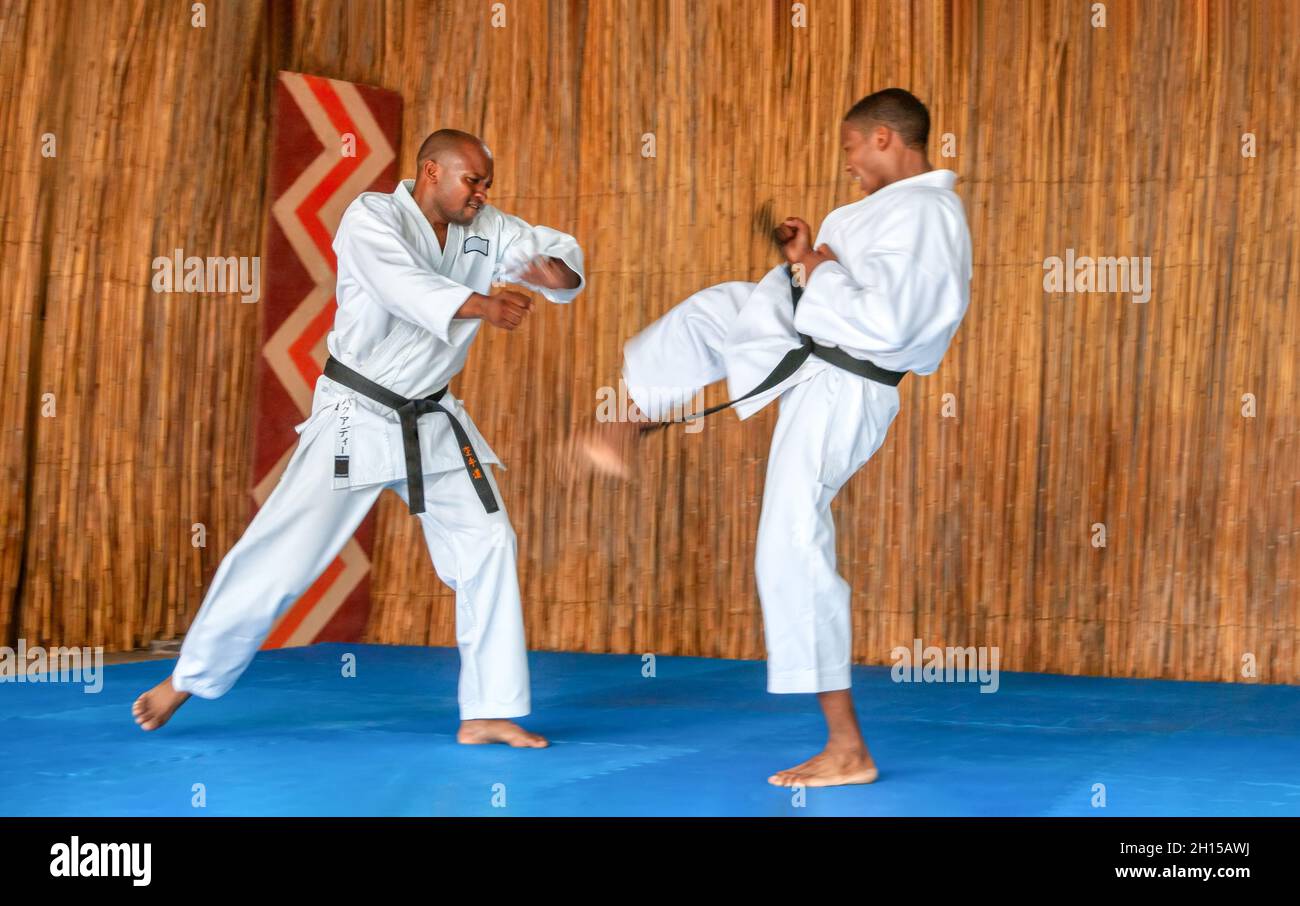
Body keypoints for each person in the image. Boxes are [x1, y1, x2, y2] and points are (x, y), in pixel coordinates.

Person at [134, 129, 584, 748]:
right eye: (471, 181)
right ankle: (188, 678)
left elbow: (555, 260)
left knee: (488, 540)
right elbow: (401, 286)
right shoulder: (372, 217)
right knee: (284, 553)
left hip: (433, 419)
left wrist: (551, 272)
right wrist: (481, 306)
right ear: (431, 172)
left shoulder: (490, 229)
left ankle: (486, 709)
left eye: (487, 183)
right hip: (357, 415)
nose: (482, 193)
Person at [577, 88, 972, 785]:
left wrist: (818, 272)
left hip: (845, 385)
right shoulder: (889, 212)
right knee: (718, 311)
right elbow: (851, 287)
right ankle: (627, 422)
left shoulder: (929, 214)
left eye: (851, 145)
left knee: (788, 541)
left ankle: (847, 747)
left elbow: (891, 323)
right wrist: (804, 259)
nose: (846, 161)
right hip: (814, 352)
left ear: (884, 137)